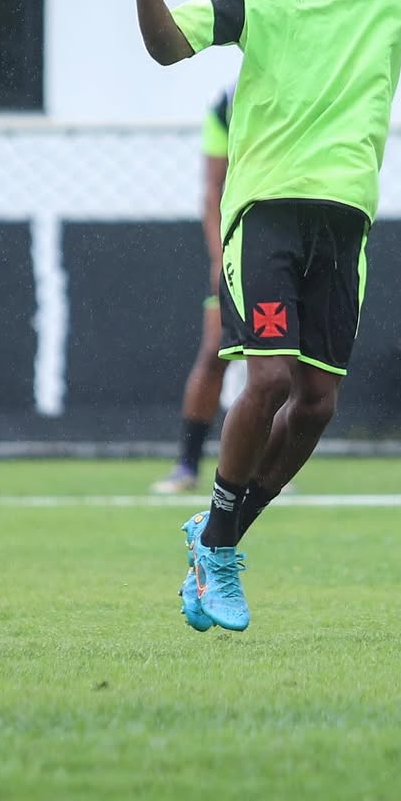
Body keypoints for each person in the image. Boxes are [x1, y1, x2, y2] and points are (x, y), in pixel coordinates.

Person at [114, 0, 401, 632]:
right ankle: (219, 551)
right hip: (267, 212)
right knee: (268, 380)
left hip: (345, 219)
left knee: (318, 404)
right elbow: (168, 45)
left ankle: (217, 535)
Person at [151, 84, 235, 495]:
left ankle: (268, 467)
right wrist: (221, 258)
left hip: (286, 238)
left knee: (280, 361)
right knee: (215, 350)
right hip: (240, 245)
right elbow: (213, 191)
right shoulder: (228, 104)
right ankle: (187, 465)